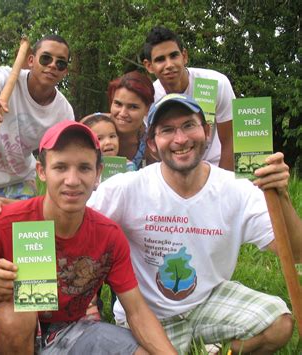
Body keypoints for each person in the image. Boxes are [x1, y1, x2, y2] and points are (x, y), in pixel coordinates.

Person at [88, 94, 301, 354]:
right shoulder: (126, 188)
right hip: (147, 315)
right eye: (167, 130)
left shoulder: (237, 189)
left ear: (207, 132)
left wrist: (282, 196)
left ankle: (216, 352)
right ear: (152, 144)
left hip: (207, 302)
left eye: (189, 125)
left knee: (280, 324)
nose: (180, 139)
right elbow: (79, 232)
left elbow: (296, 251)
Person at [0, 121, 176, 354]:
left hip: (72, 331)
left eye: (84, 168)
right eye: (61, 167)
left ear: (98, 174)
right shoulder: (1, 223)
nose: (73, 180)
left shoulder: (109, 235)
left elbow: (136, 311)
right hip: (8, 335)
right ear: (42, 171)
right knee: (17, 316)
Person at [0, 34, 74, 244]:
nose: (52, 65)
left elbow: (62, 158)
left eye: (60, 63)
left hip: (24, 178)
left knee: (26, 242)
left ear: (65, 71)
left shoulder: (64, 111)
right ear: (31, 60)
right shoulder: (8, 77)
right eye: (46, 58)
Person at [142, 26, 235, 170]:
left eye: (174, 56)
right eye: (160, 60)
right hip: (176, 172)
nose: (169, 65)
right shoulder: (148, 97)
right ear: (149, 66)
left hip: (216, 167)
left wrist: (224, 185)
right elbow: (154, 149)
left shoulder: (217, 83)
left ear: (184, 56)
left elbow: (229, 141)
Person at [107, 71, 156, 170]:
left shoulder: (151, 146)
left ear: (147, 109)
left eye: (133, 107)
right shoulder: (92, 127)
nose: (123, 113)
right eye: (118, 104)